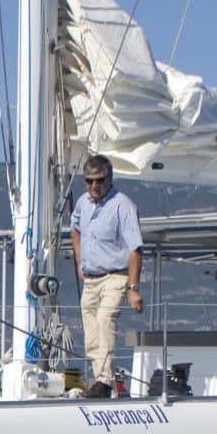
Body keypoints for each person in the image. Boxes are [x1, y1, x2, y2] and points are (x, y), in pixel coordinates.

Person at [69, 154, 145, 395]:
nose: (94, 186)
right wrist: (80, 259)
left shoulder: (123, 205)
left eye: (99, 180)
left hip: (116, 275)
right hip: (91, 279)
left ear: (109, 179)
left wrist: (133, 289)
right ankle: (97, 378)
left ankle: (105, 380)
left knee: (105, 321)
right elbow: (75, 227)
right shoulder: (83, 202)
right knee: (90, 330)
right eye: (89, 181)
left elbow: (135, 248)